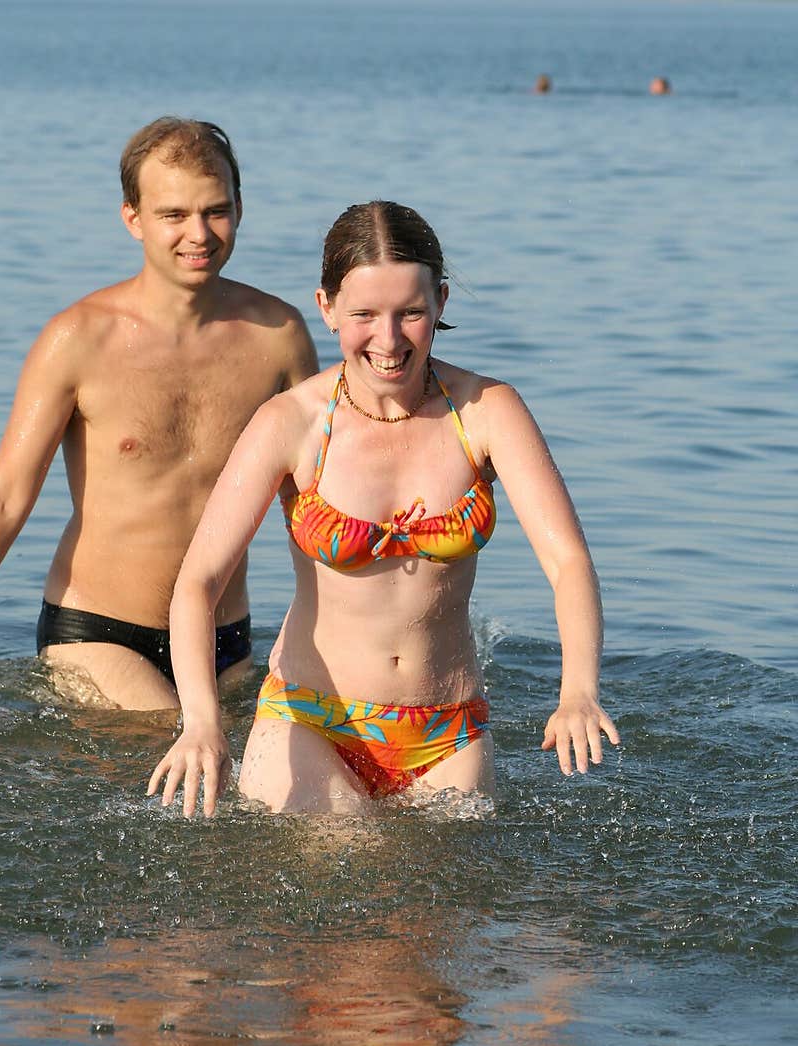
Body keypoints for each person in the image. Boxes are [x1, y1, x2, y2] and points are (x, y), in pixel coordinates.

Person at [148, 200, 620, 816]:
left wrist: (579, 691)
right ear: (327, 308)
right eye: (365, 315)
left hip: (449, 728)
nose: (389, 340)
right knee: (347, 855)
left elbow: (568, 563)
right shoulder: (290, 423)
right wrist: (202, 724)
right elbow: (197, 582)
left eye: (412, 313)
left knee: (444, 906)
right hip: (309, 719)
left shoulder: (486, 412)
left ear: (442, 303)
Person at [0, 117, 318, 709]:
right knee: (174, 747)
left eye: (215, 210)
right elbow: (4, 498)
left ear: (239, 207)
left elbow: (314, 498)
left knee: (254, 784)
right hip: (100, 632)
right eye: (174, 215)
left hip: (223, 637)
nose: (199, 234)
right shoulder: (78, 339)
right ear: (133, 218)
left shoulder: (279, 336)